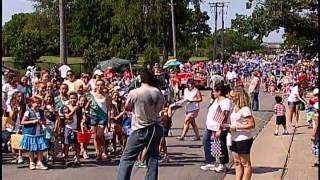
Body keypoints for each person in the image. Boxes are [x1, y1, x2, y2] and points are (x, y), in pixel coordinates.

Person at [117, 69, 165, 180]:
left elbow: (127, 108)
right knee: (153, 158)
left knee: (127, 158)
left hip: (141, 128)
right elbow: (160, 107)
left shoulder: (135, 92)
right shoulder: (158, 92)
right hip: (156, 126)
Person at [201, 83, 232, 172]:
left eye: (214, 91)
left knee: (221, 145)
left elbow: (225, 115)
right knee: (208, 143)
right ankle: (210, 162)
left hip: (219, 127)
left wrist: (220, 129)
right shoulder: (216, 100)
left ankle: (223, 164)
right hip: (211, 126)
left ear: (220, 92)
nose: (213, 93)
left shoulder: (226, 101)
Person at [229, 89, 255, 180]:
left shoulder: (245, 109)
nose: (230, 98)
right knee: (237, 162)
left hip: (244, 138)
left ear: (238, 96)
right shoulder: (234, 108)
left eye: (233, 96)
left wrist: (237, 128)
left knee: (245, 163)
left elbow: (252, 124)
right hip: (234, 138)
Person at [20, 96, 49, 170]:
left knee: (40, 148)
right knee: (31, 148)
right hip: (30, 132)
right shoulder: (28, 111)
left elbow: (44, 121)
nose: (38, 104)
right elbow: (22, 122)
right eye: (36, 103)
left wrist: (43, 122)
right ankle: (31, 162)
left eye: (39, 103)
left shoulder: (42, 112)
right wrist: (33, 121)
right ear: (31, 103)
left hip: (39, 132)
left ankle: (39, 162)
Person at [88, 79, 111, 160]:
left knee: (100, 135)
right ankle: (97, 151)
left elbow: (108, 109)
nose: (99, 87)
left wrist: (109, 121)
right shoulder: (92, 95)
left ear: (104, 86)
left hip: (102, 117)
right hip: (93, 116)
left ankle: (104, 151)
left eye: (101, 85)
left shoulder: (107, 96)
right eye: (98, 85)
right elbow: (87, 106)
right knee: (95, 136)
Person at [63, 92, 82, 166]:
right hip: (68, 128)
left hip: (76, 128)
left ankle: (77, 158)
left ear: (77, 99)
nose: (73, 100)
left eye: (74, 98)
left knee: (77, 144)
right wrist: (74, 109)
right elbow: (67, 116)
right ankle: (66, 158)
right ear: (69, 99)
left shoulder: (79, 108)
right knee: (66, 143)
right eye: (71, 98)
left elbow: (80, 117)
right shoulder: (66, 107)